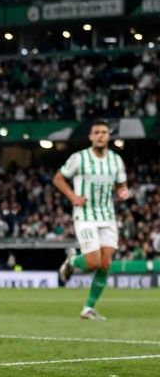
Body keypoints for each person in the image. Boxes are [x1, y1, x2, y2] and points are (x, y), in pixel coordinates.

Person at [56, 119, 130, 320]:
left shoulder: (115, 160)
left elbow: (121, 184)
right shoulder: (79, 158)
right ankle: (72, 261)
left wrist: (122, 192)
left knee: (105, 264)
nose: (100, 135)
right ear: (90, 136)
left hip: (108, 216)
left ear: (108, 136)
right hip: (85, 215)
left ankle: (88, 309)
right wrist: (73, 197)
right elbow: (59, 178)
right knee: (92, 262)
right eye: (96, 132)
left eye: (104, 132)